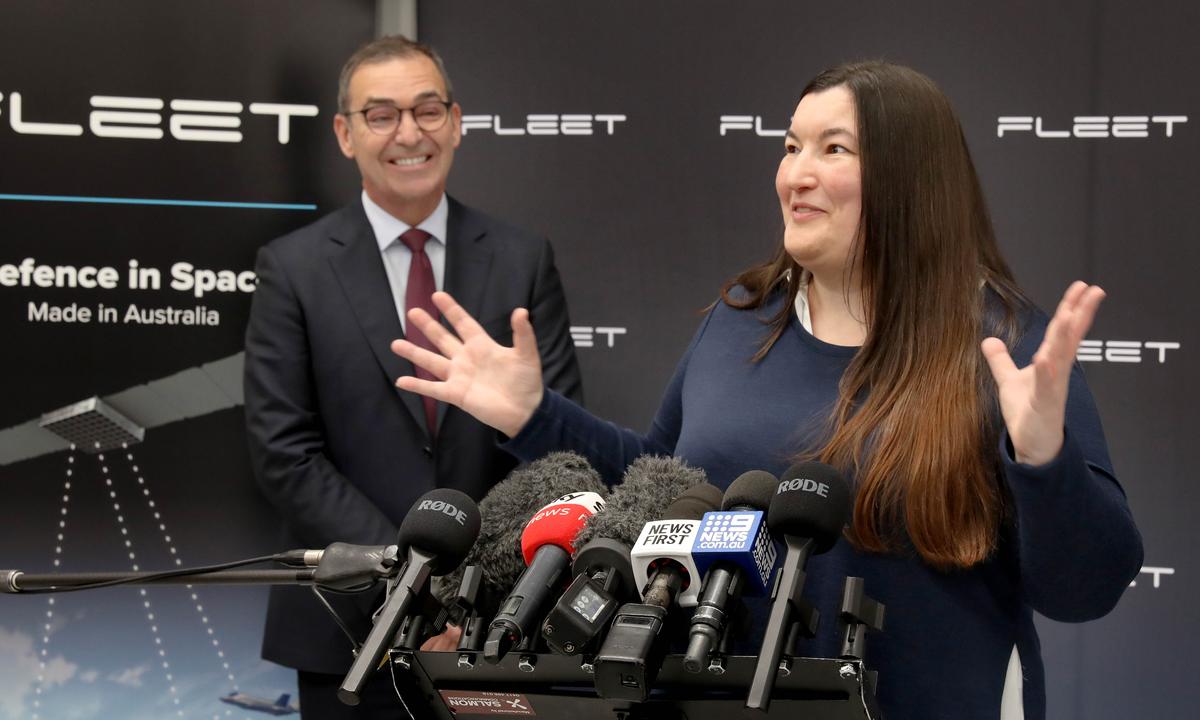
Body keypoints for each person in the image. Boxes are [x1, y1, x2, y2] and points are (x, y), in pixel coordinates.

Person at [391, 61, 1142, 720]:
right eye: (790, 147)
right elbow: (662, 477)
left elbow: (1085, 589)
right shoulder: (742, 319)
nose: (795, 173)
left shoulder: (1003, 346)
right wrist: (532, 415)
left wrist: (1042, 458)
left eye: (833, 149)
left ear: (913, 178)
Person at [244, 36, 583, 720]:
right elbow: (285, 455)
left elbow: (555, 444)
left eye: (427, 111)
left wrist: (472, 587)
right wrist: (409, 575)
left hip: (491, 627)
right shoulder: (294, 269)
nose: (409, 133)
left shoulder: (522, 259)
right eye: (381, 114)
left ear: (456, 124)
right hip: (345, 628)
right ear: (345, 134)